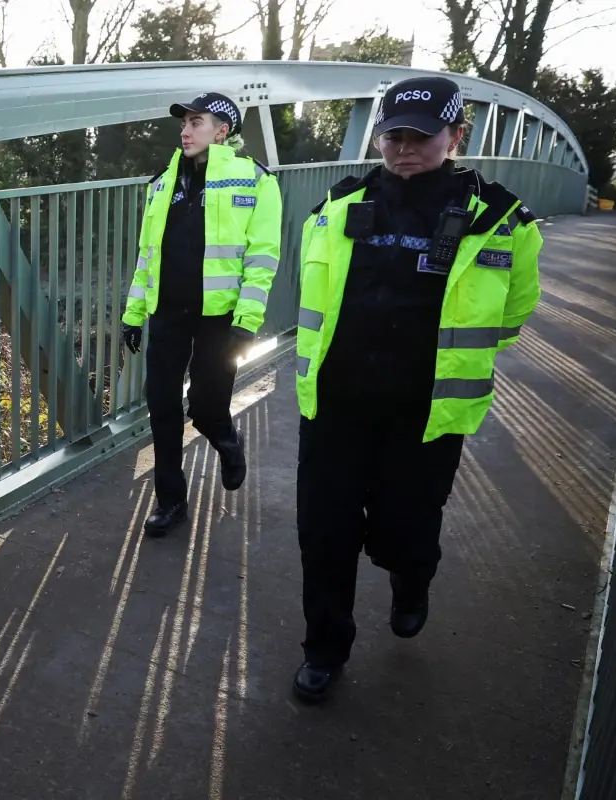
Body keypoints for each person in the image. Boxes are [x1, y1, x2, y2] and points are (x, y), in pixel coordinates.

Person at [289, 76, 543, 703]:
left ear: (457, 137)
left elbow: (515, 312)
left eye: (420, 137)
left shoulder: (503, 221)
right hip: (336, 404)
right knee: (324, 532)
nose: (403, 148)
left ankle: (412, 576)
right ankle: (324, 646)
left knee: (405, 529)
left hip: (425, 413)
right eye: (393, 135)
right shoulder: (337, 205)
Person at [120, 91, 283, 537]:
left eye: (196, 122)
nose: (185, 131)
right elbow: (147, 256)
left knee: (208, 408)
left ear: (223, 130)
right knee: (163, 407)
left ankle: (227, 441)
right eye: (183, 123)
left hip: (221, 318)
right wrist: (133, 314)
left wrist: (247, 322)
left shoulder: (256, 180)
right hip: (168, 312)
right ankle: (171, 500)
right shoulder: (160, 184)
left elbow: (263, 257)